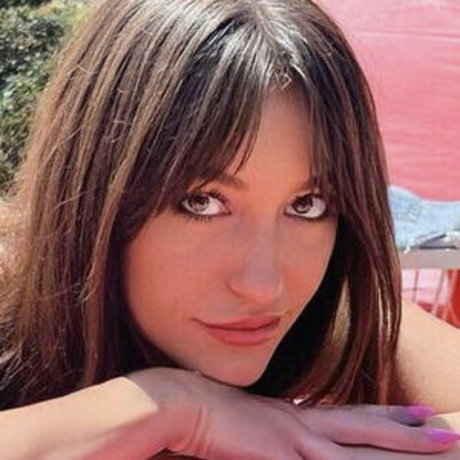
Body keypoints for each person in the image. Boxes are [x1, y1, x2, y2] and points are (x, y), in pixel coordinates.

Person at [0, 0, 459, 458]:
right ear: (97, 188)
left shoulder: (334, 314)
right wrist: (173, 409)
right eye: (201, 202)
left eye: (307, 205)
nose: (263, 286)